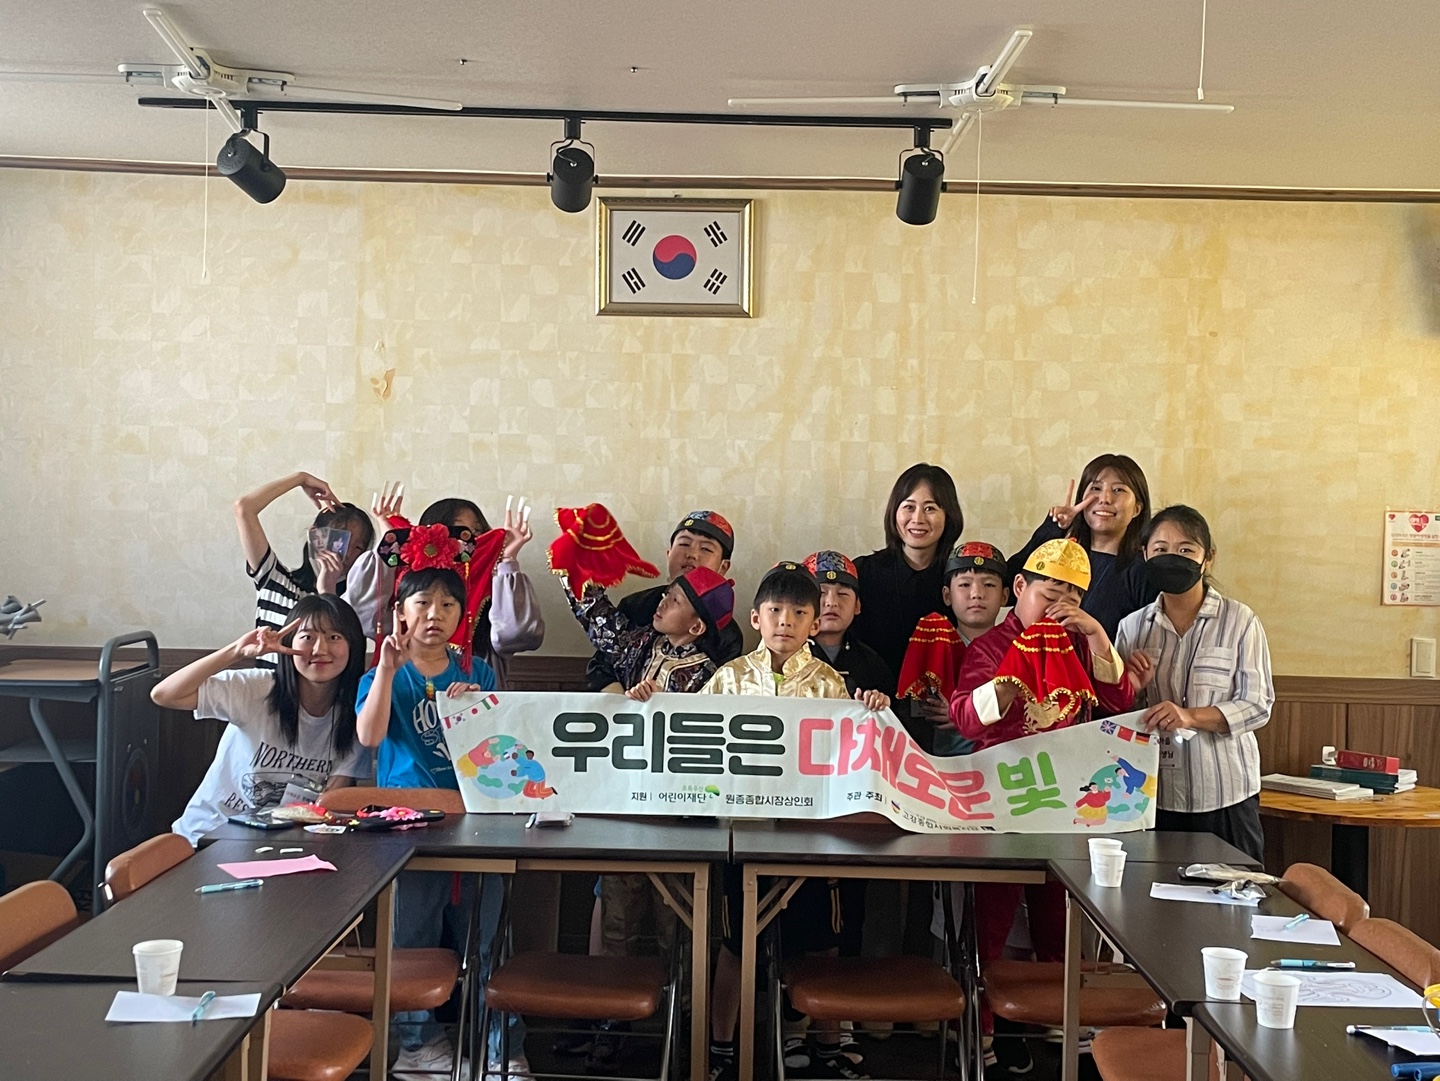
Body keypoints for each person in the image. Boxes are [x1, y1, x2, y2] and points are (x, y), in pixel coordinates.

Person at [700, 563, 889, 1081]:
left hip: (811, 838)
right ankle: (719, 1049)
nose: (786, 620)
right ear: (756, 618)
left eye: (799, 612)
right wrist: (648, 703)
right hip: (741, 833)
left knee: (822, 942)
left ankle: (828, 1044)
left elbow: (853, 750)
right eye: (776, 610)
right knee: (736, 943)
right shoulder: (729, 678)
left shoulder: (830, 683)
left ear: (814, 622)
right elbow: (688, 733)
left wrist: (872, 708)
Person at [949, 538, 1133, 1061]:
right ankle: (982, 1027)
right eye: (1048, 594)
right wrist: (1007, 685)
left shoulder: (1078, 644)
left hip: (1068, 803)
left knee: (1060, 918)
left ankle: (1058, 1019)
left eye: (1072, 598)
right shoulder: (991, 646)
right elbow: (965, 718)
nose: (1058, 607)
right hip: (1003, 801)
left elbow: (1119, 699)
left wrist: (1096, 633)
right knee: (991, 921)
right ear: (1020, 588)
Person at [354, 567, 524, 1079]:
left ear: (462, 615)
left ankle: (501, 1048)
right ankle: (418, 1045)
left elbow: (500, 750)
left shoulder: (478, 672)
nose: (435, 614)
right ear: (400, 612)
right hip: (407, 831)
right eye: (423, 603)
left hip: (476, 825)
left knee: (489, 938)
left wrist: (476, 710)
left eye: (448, 605)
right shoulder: (380, 674)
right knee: (411, 940)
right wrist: (387, 671)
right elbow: (369, 737)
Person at [1116, 504, 1274, 863]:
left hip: (1225, 794)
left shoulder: (1240, 621)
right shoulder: (1132, 627)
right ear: (1145, 555)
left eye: (1186, 549)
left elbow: (1258, 704)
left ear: (1208, 557)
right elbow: (1121, 712)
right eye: (1161, 549)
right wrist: (1132, 690)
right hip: (1153, 797)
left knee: (1235, 891)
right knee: (1155, 892)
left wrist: (1190, 717)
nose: (1173, 558)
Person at [154, 594, 369, 844]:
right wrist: (236, 651)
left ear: (353, 646)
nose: (319, 650)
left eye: (334, 637)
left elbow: (328, 803)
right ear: (288, 643)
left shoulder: (358, 714)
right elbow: (165, 695)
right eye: (308, 637)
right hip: (206, 837)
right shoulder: (257, 689)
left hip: (277, 845)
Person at [348, 493, 545, 689]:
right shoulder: (405, 587)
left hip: (477, 696)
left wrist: (507, 560)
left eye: (477, 531)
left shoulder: (495, 588)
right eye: (459, 530)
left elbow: (516, 636)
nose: (470, 539)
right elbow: (363, 615)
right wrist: (389, 541)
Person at [850, 464, 963, 752]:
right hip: (871, 713)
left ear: (948, 515)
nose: (917, 519)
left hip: (941, 721)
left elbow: (1013, 581)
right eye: (909, 507)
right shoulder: (865, 571)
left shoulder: (960, 578)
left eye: (930, 508)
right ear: (894, 512)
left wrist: (1055, 528)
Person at [586, 510, 744, 690]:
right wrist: (619, 697)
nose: (692, 554)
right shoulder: (636, 605)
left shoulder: (727, 635)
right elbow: (602, 662)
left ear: (723, 567)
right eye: (684, 544)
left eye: (706, 548)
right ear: (668, 554)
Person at [1008, 454, 1157, 641]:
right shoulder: (1062, 555)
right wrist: (1054, 528)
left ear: (1137, 508)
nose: (1105, 499)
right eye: (1096, 488)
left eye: (1118, 490)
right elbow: (1006, 592)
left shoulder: (1142, 572)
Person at [233, 470, 375, 667]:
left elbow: (340, 665)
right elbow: (244, 508)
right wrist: (300, 479)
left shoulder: (354, 603)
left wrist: (328, 591)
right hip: (268, 684)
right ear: (315, 537)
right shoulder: (275, 579)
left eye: (358, 547)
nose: (349, 553)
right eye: (341, 539)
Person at [562, 565, 736, 699]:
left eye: (675, 600)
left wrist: (659, 702)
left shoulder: (708, 676)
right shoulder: (642, 640)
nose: (662, 603)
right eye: (666, 595)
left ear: (696, 627)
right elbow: (599, 618)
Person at [914, 541, 1010, 756]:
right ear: (947, 595)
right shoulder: (932, 645)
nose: (977, 594)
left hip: (1004, 763)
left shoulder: (1019, 650)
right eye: (965, 585)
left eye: (989, 585)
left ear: (1004, 596)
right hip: (944, 764)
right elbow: (917, 710)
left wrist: (964, 714)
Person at [804, 550, 894, 701]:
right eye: (822, 593)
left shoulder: (871, 663)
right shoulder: (785, 655)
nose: (832, 602)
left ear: (857, 606)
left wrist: (879, 701)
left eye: (842, 594)